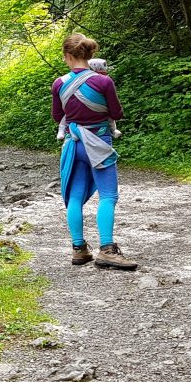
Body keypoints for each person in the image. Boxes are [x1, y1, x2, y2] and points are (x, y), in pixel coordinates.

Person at [52, 33, 138, 270]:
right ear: (89, 55)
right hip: (98, 144)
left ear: (68, 56)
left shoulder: (59, 83)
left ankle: (79, 249)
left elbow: (58, 117)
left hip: (73, 144)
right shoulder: (103, 82)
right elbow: (117, 113)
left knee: (75, 197)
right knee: (108, 195)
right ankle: (107, 250)